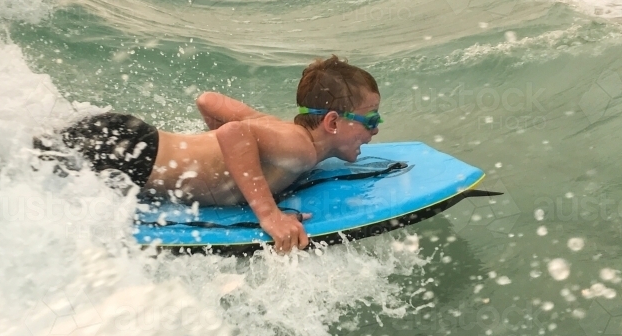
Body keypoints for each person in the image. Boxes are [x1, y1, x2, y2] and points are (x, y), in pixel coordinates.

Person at [34, 56, 381, 253]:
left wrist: (208, 158)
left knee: (20, 160)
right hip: (126, 155)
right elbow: (234, 133)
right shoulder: (299, 148)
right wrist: (269, 215)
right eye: (372, 119)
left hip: (127, 141)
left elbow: (208, 101)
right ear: (333, 122)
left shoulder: (278, 132)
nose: (376, 130)